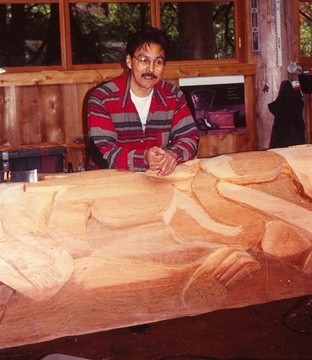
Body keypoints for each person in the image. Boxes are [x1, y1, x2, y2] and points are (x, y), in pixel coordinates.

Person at [87, 26, 199, 177]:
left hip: (157, 180)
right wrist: (143, 159)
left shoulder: (174, 96)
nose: (150, 69)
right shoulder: (103, 98)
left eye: (158, 62)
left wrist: (173, 154)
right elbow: (102, 152)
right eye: (144, 60)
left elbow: (190, 138)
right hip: (110, 182)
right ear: (129, 61)